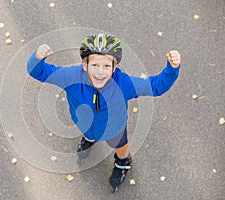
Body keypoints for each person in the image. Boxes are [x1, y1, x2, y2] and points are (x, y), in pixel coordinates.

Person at [27, 33, 181, 191]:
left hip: (114, 129)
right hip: (83, 123)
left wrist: (172, 69)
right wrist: (38, 58)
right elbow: (38, 72)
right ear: (84, 65)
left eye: (106, 66)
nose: (100, 72)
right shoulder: (70, 77)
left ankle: (123, 162)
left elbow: (156, 86)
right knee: (87, 132)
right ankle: (88, 139)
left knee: (119, 145)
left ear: (115, 67)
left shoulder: (124, 84)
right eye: (94, 65)